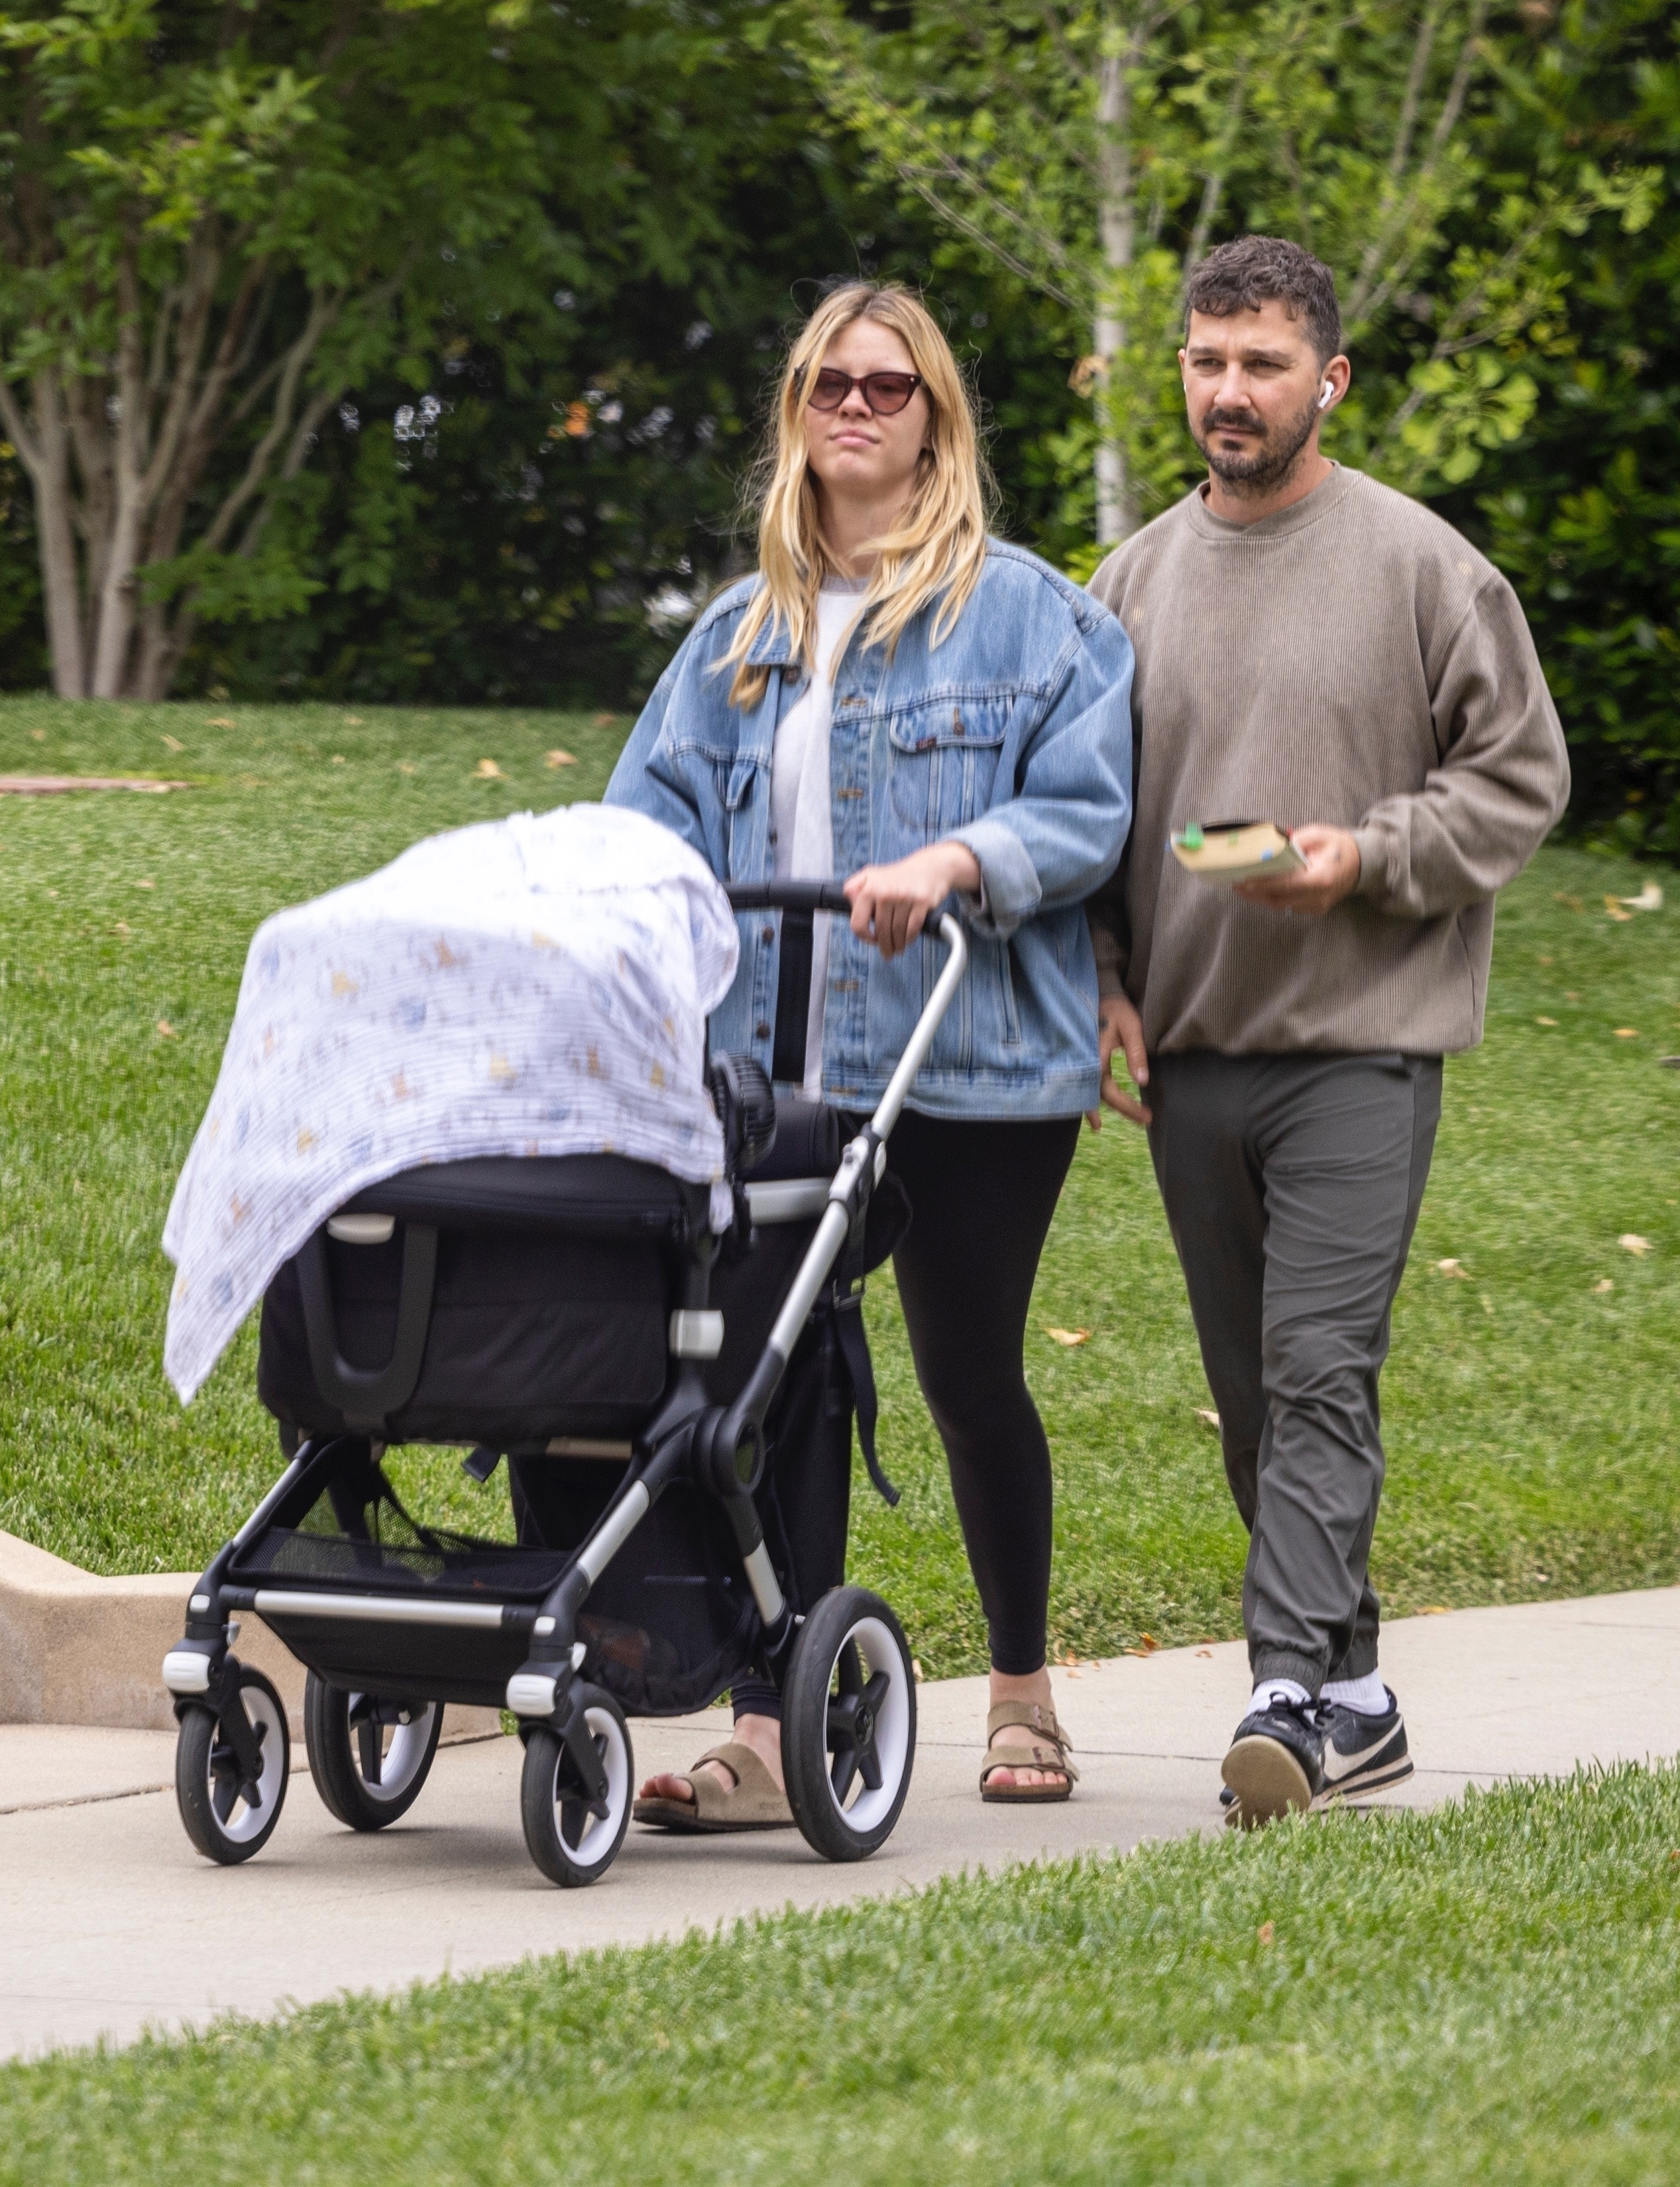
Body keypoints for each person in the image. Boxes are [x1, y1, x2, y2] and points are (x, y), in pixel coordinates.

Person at [606, 278, 1133, 1824]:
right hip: (776, 1071)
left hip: (966, 1063)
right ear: (796, 413)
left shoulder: (1038, 615)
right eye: (827, 383)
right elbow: (648, 820)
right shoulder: (736, 637)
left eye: (887, 387)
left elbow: (1085, 810)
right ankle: (775, 1727)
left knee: (967, 1371)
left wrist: (960, 861)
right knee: (775, 1382)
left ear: (936, 419)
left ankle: (1023, 1688)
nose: (854, 405)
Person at [1085, 234, 1569, 1827]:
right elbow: (1085, 818)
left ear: (1329, 380)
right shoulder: (1130, 583)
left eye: (1265, 364)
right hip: (1199, 1057)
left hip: (1362, 1043)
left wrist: (1366, 857)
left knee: (1315, 1369)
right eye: (1208, 361)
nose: (1232, 392)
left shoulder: (1426, 569)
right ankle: (1352, 1694)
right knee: (1260, 1389)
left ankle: (1283, 1683)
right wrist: (1103, 981)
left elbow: (1519, 777)